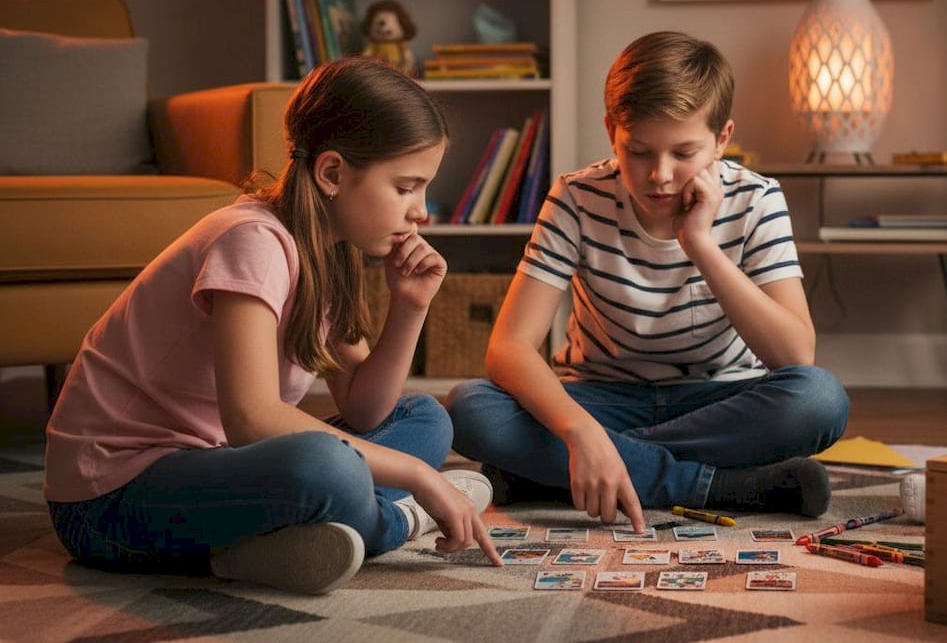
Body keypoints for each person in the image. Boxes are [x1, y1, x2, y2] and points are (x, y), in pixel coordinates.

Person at [43, 58, 503, 596]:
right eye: (406, 187)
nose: (421, 211)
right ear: (332, 174)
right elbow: (252, 420)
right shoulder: (252, 240)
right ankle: (393, 522)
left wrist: (411, 307)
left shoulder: (328, 250)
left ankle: (276, 542)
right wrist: (419, 477)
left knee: (424, 417)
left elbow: (366, 411)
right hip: (108, 499)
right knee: (328, 465)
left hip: (215, 469)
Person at [446, 31, 849, 531]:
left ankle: (560, 473)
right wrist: (581, 432)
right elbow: (509, 348)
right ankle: (714, 486)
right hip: (600, 397)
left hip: (720, 399)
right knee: (470, 409)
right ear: (611, 130)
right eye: (638, 151)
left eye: (684, 153)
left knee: (819, 400)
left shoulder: (757, 199)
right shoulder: (576, 197)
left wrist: (699, 244)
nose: (660, 175)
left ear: (722, 138)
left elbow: (794, 355)